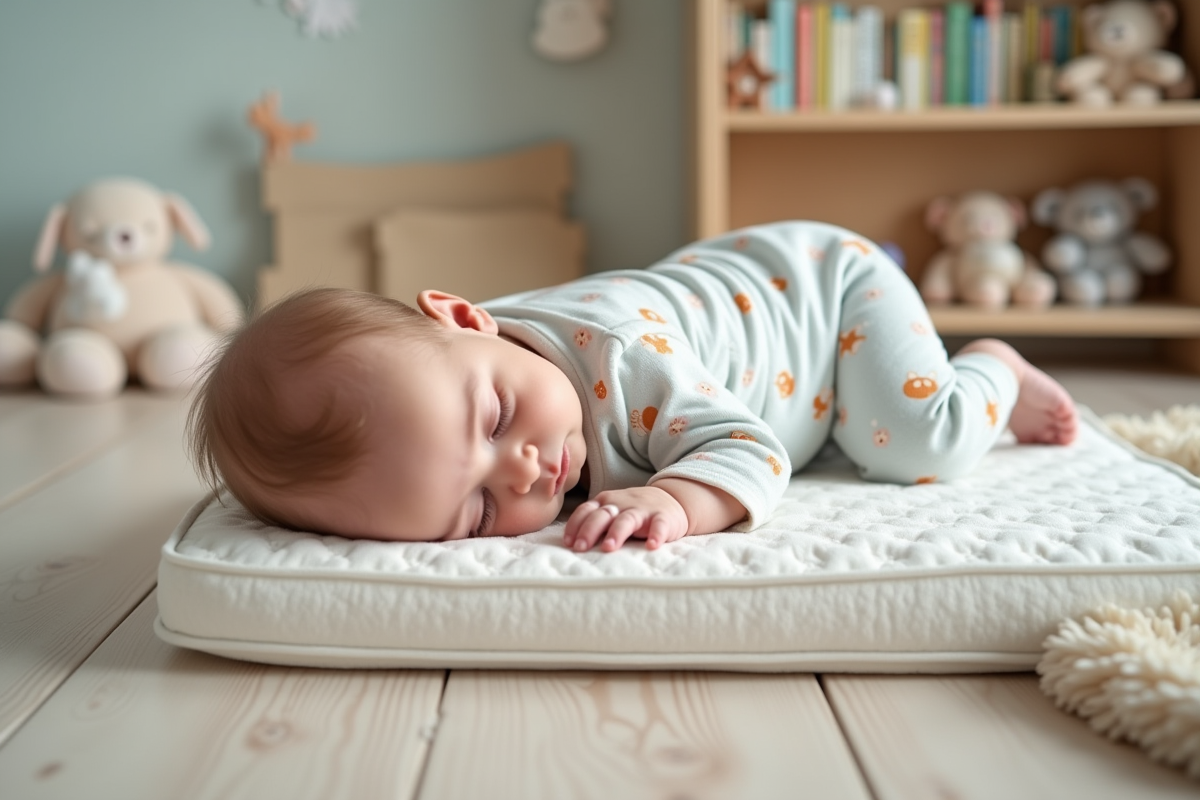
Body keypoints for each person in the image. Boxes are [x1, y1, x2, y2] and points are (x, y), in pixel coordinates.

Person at [189, 221, 1078, 553]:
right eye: (473, 515)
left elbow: (750, 447)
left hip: (820, 292)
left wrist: (680, 501)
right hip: (728, 288)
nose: (528, 472)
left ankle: (994, 370)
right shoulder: (445, 375)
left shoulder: (621, 359)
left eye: (497, 418)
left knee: (912, 444)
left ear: (467, 319)